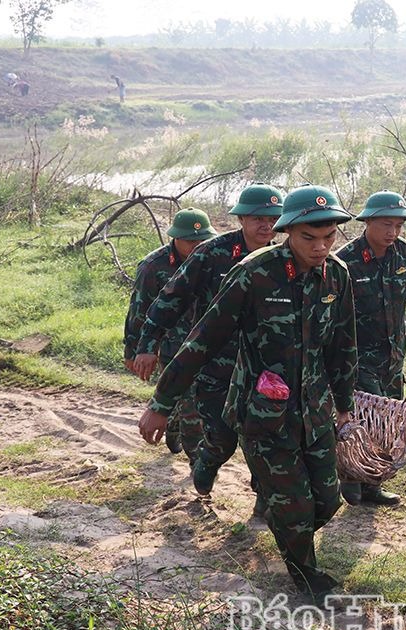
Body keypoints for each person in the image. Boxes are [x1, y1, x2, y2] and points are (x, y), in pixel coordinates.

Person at [138, 185, 357, 604]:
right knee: (294, 508)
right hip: (263, 413)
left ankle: (286, 525)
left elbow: (343, 345)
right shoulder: (255, 272)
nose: (320, 247)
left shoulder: (337, 276)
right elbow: (202, 340)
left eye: (328, 237)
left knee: (327, 501)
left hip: (314, 411)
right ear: (288, 231)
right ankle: (305, 576)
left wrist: (345, 406)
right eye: (309, 238)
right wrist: (161, 405)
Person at [133, 183, 284, 515]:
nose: (266, 226)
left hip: (262, 367)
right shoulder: (211, 253)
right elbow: (169, 301)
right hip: (214, 364)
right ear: (241, 218)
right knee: (221, 434)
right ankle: (207, 463)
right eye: (258, 218)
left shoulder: (282, 259)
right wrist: (146, 345)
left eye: (273, 218)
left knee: (265, 435)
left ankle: (265, 500)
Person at [335, 190, 406, 506]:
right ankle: (350, 475)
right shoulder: (345, 261)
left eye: (399, 226)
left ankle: (371, 485)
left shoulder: (404, 255)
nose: (393, 232)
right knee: (363, 420)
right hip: (358, 358)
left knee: (388, 423)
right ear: (368, 223)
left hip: (393, 358)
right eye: (386, 225)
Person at [123, 208, 216, 465]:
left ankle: (177, 423)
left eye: (202, 241)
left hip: (208, 345)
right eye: (190, 241)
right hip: (172, 347)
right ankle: (199, 461)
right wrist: (135, 351)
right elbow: (139, 311)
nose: (198, 246)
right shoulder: (154, 266)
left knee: (200, 401)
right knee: (189, 402)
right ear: (175, 238)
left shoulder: (215, 258)